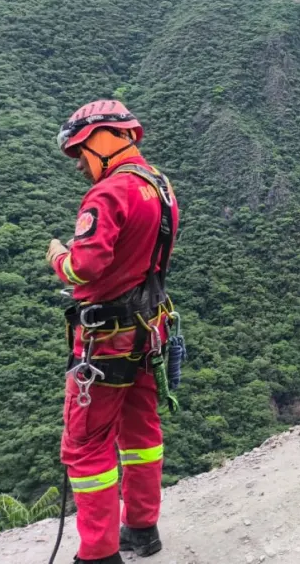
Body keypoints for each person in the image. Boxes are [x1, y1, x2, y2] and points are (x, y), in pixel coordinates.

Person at [46, 100, 179, 564]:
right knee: (141, 428)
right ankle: (142, 529)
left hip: (106, 339)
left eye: (81, 152)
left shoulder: (109, 193)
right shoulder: (158, 185)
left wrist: (58, 256)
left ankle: (98, 554)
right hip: (148, 328)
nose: (80, 164)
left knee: (85, 445)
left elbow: (84, 268)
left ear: (101, 139)